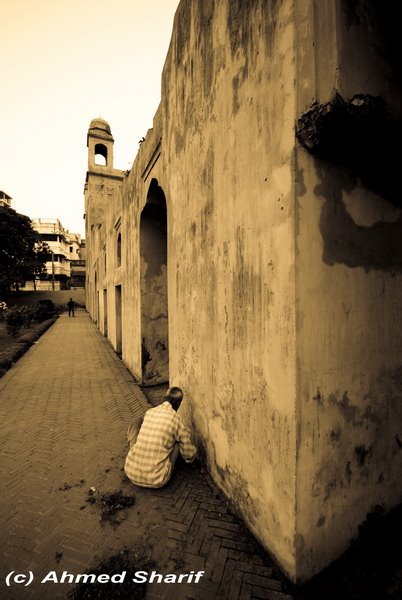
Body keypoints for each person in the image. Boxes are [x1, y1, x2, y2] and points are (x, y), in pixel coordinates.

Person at [124, 386, 197, 488]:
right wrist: (191, 459)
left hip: (131, 472)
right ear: (178, 404)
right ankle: (164, 467)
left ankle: (137, 456)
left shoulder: (150, 412)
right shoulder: (177, 420)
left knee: (138, 422)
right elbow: (187, 452)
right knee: (177, 442)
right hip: (157, 479)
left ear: (165, 398)